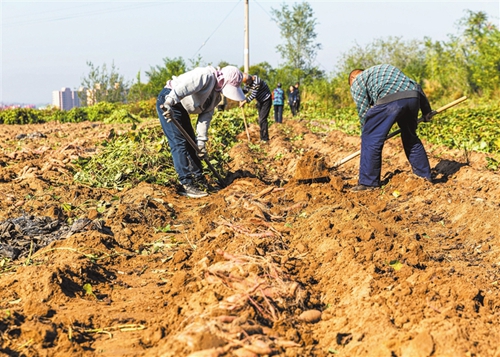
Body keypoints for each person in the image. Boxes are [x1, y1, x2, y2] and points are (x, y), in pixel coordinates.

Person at [156, 65, 245, 198]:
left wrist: (201, 142)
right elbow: (183, 88)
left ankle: (199, 179)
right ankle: (186, 184)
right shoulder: (205, 76)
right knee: (179, 143)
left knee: (192, 142)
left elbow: (205, 118)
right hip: (169, 99)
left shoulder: (216, 97)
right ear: (222, 80)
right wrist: (169, 102)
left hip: (180, 107)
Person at [348, 64, 434, 192]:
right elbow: (416, 85)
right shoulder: (383, 72)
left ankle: (368, 183)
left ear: (353, 79)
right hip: (412, 96)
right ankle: (424, 176)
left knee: (370, 138)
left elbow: (363, 111)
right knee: (410, 136)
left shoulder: (357, 82)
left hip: (390, 99)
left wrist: (367, 132)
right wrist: (427, 111)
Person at [239, 73, 272, 142]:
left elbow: (253, 95)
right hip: (260, 101)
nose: (246, 85)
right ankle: (262, 137)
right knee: (260, 119)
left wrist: (244, 102)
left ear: (249, 80)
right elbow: (245, 90)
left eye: (246, 83)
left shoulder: (257, 82)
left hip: (266, 100)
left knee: (262, 119)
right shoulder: (249, 82)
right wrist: (239, 93)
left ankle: (265, 138)